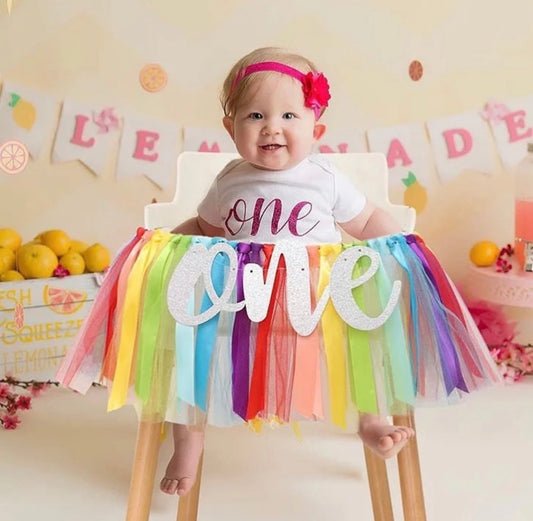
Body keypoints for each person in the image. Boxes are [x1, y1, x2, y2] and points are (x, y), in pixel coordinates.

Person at [160, 46, 415, 497]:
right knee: (187, 343)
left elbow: (367, 221)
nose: (272, 127)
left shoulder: (324, 178)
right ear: (231, 128)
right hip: (240, 304)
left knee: (368, 337)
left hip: (316, 301)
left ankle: (372, 421)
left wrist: (400, 245)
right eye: (255, 115)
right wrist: (163, 242)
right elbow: (204, 230)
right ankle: (188, 440)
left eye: (289, 117)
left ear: (316, 129)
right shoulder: (229, 180)